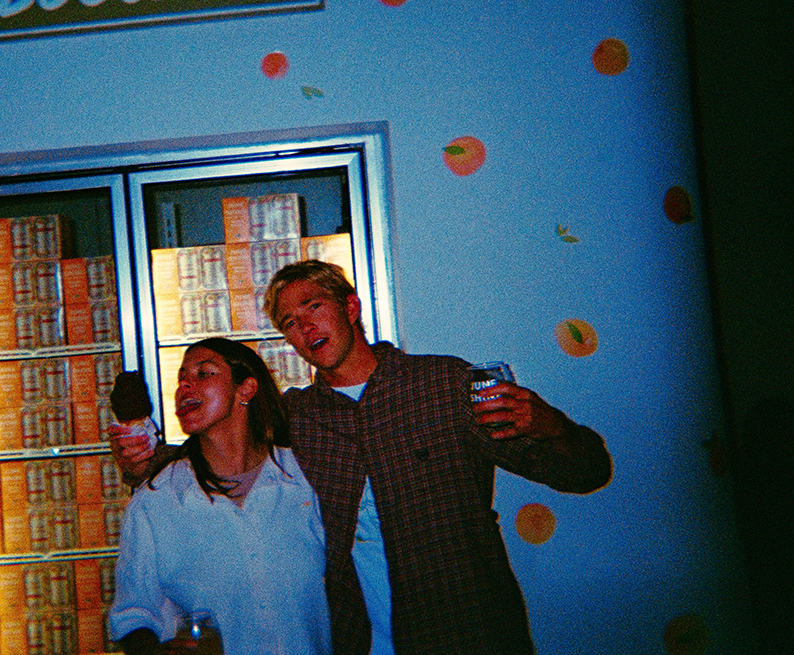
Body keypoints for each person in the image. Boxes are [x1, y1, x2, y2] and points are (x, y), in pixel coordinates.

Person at [114, 261, 613, 655]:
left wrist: (551, 424)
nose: (304, 326)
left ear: (350, 307)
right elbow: (223, 452)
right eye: (289, 322)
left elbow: (588, 472)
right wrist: (143, 463)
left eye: (313, 306)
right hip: (360, 642)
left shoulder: (443, 385)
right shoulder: (298, 418)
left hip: (470, 632)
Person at [108, 337, 331, 655]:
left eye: (204, 373)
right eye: (181, 379)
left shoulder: (305, 478)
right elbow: (133, 616)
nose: (184, 387)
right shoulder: (155, 502)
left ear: (246, 389)